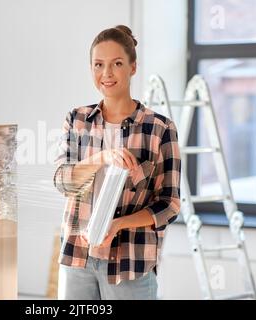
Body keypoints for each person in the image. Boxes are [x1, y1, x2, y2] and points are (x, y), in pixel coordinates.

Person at [53, 25, 181, 300]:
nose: (106, 74)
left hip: (130, 263)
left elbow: (169, 204)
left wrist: (118, 225)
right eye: (98, 65)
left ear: (133, 67)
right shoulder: (77, 120)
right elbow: (63, 181)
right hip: (78, 259)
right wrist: (102, 158)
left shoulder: (159, 128)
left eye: (117, 64)